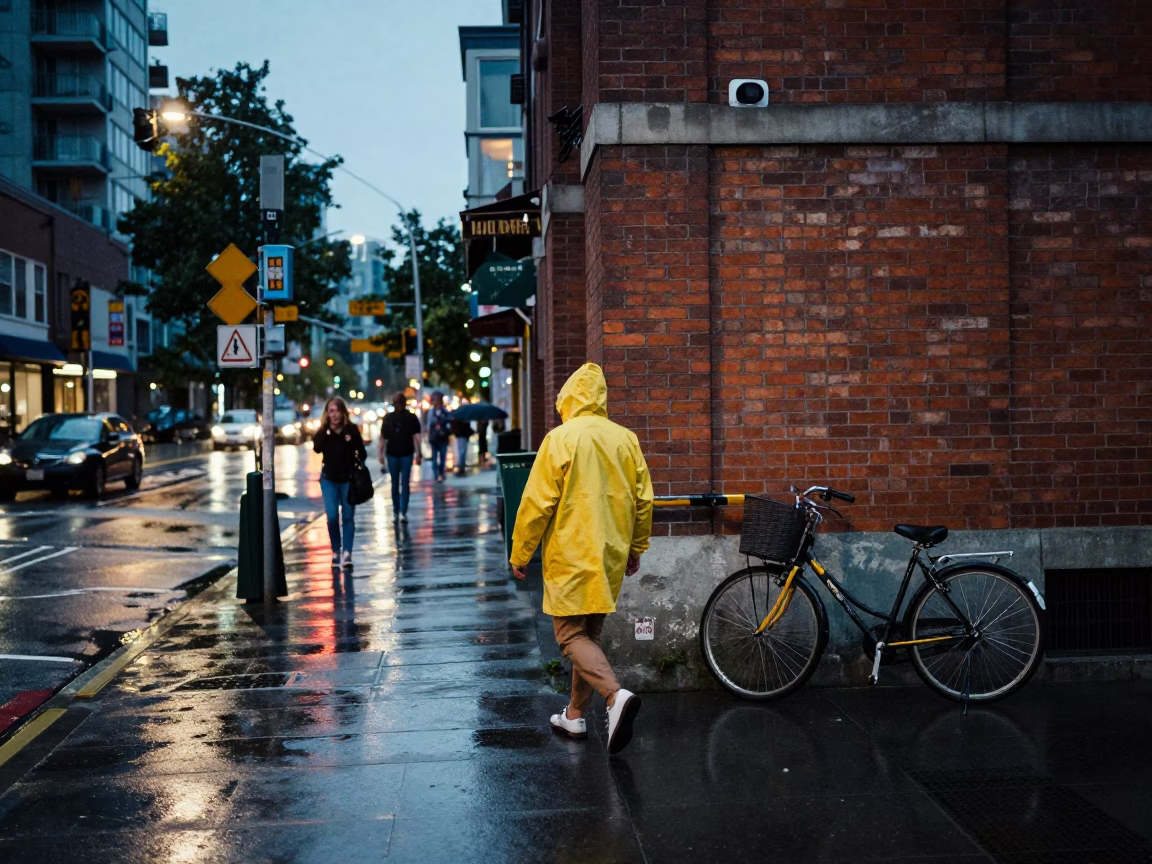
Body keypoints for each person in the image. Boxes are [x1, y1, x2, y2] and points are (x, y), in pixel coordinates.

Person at [509, 363, 653, 754]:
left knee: (569, 636)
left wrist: (521, 551)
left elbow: (537, 502)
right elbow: (643, 500)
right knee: (589, 635)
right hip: (609, 552)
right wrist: (636, 547)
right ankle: (574, 714)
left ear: (568, 397)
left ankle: (613, 696)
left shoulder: (560, 438)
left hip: (571, 552)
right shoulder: (626, 439)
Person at [312, 396, 367, 569]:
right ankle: (336, 550)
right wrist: (327, 431)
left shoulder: (351, 429)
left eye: (337, 411)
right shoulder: (324, 431)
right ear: (327, 414)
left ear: (343, 412)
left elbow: (362, 452)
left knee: (348, 516)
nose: (334, 415)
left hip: (348, 480)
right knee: (332, 516)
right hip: (329, 479)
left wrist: (355, 460)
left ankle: (347, 553)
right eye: (331, 411)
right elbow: (316, 447)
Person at [378, 392, 422, 522]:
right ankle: (396, 511)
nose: (399, 404)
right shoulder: (388, 418)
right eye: (397, 402)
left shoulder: (411, 418)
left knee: (405, 483)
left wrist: (419, 453)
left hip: (407, 454)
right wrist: (380, 453)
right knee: (395, 483)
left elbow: (417, 437)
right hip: (393, 454)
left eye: (401, 402)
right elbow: (382, 437)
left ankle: (403, 511)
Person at [426, 392, 451, 483]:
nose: (435, 401)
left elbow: (449, 423)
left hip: (443, 437)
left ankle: (441, 473)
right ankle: (436, 474)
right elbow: (428, 425)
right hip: (434, 438)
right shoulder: (430, 412)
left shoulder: (445, 411)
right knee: (434, 457)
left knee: (443, 457)